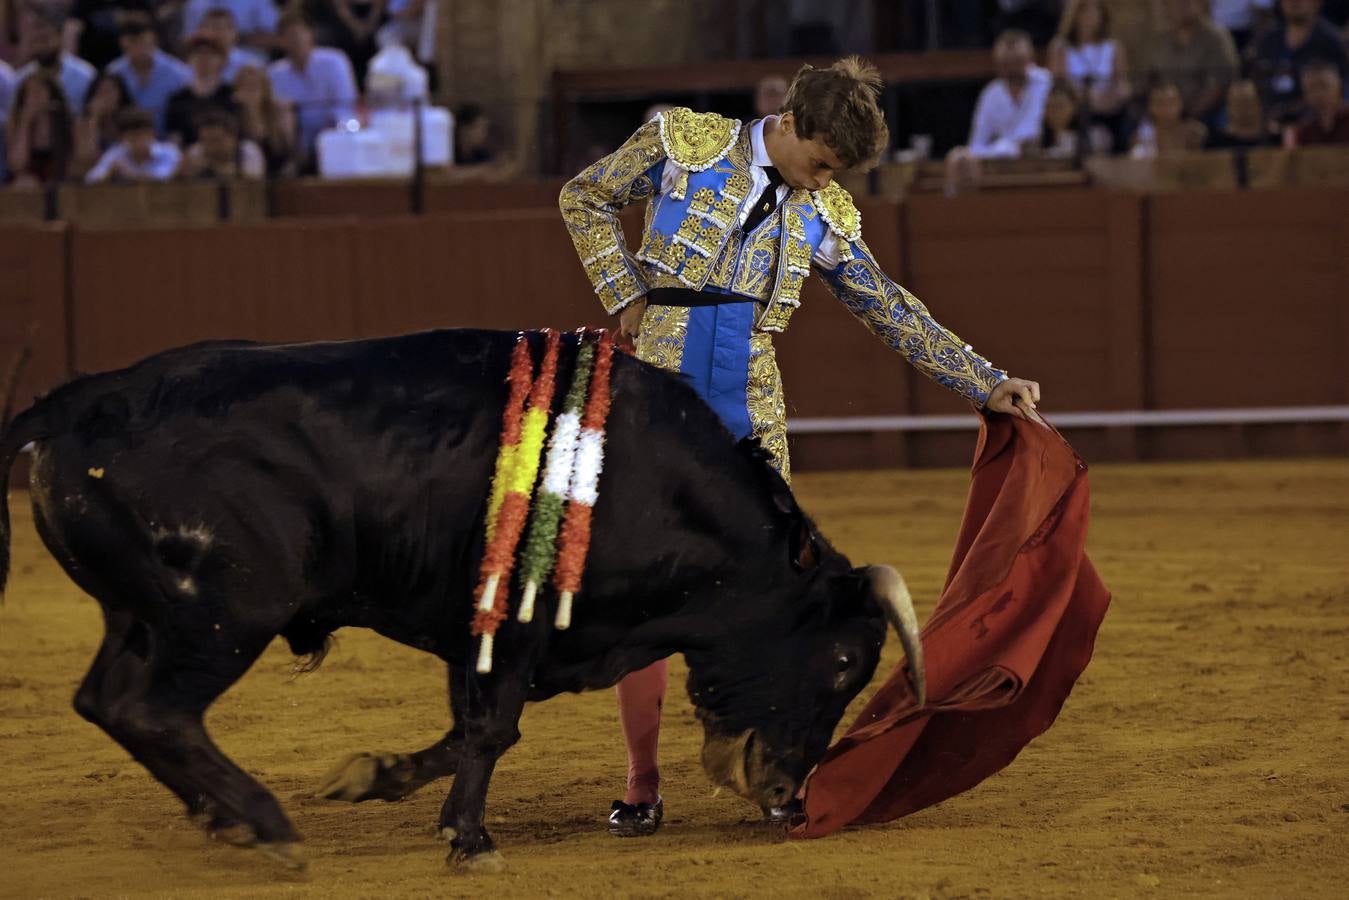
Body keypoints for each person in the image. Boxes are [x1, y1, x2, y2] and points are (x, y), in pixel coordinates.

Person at [558, 56, 1042, 838]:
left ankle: (773, 773)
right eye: (818, 164)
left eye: (833, 174)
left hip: (749, 400)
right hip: (657, 391)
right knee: (646, 587)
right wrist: (624, 290)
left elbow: (886, 305)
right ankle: (641, 783)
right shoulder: (684, 144)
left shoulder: (825, 212)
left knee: (772, 594)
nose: (821, 182)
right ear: (787, 125)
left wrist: (982, 382)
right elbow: (583, 195)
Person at [944, 30, 1052, 193]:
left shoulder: (1047, 83)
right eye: (1006, 63)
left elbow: (1041, 131)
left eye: (1017, 61)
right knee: (958, 157)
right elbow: (977, 144)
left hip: (1043, 163)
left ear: (1030, 58)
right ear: (998, 63)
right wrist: (1006, 148)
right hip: (1001, 169)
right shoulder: (990, 94)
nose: (1012, 68)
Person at [267, 11, 357, 170]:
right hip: (297, 137)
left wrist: (327, 133)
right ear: (280, 41)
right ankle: (292, 167)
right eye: (289, 35)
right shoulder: (275, 73)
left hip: (333, 127)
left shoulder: (335, 61)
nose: (296, 40)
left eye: (299, 33)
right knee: (283, 115)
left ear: (311, 35)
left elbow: (345, 104)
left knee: (345, 121)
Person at [1248, 0, 1349, 126]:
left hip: (1314, 123)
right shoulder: (1268, 40)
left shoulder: (1331, 42)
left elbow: (1340, 90)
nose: (1294, 2)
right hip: (1269, 121)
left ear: (1317, 3)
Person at [1048, 0, 1131, 153]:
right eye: (1084, 11)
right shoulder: (1060, 47)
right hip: (1075, 110)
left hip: (1108, 108)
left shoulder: (1113, 47)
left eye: (1094, 11)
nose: (1089, 17)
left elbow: (1121, 83)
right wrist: (1085, 99)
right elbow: (1059, 85)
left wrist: (1109, 99)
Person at [1144, 0, 1239, 125]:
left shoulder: (1216, 38)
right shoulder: (1162, 40)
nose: (1180, 7)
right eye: (1175, 3)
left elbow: (1217, 86)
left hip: (1208, 113)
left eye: (1187, 2)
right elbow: (1152, 78)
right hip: (1167, 111)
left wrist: (1187, 116)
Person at [107, 12, 192, 136]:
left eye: (142, 41)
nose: (139, 48)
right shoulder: (114, 72)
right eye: (133, 42)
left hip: (167, 140)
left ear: (153, 39)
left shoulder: (178, 73)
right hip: (126, 140)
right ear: (123, 43)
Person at [15, 8, 95, 116]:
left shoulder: (84, 75)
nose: (41, 46)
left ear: (60, 37)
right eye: (36, 41)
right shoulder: (22, 78)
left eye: (45, 39)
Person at [164, 32, 236, 146]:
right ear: (188, 59)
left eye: (210, 54)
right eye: (198, 54)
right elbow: (174, 139)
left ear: (222, 60)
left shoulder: (232, 95)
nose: (204, 59)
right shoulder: (177, 100)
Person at [5, 68, 73, 186]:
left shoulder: (66, 122)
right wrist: (25, 122)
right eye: (30, 93)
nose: (34, 97)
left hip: (61, 181)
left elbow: (75, 161)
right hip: (29, 185)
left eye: (39, 91)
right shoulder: (16, 125)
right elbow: (16, 165)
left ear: (51, 94)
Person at [85, 104, 180, 182]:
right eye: (133, 137)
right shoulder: (116, 154)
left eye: (143, 136)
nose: (139, 141)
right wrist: (109, 173)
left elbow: (166, 177)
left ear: (152, 134)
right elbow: (90, 179)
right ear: (122, 138)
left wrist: (130, 173)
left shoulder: (169, 152)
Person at [232, 63, 295, 175]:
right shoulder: (232, 117)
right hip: (245, 176)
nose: (250, 91)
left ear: (265, 89)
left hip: (278, 173)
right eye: (245, 86)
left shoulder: (278, 115)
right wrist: (249, 110)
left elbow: (289, 151)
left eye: (254, 85)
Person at [71, 69, 132, 176]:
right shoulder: (83, 124)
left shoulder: (131, 121)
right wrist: (94, 118)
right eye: (100, 92)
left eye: (109, 91)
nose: (105, 97)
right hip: (92, 178)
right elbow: (86, 157)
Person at [176, 106, 264, 177]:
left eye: (216, 140)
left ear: (233, 138)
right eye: (204, 141)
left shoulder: (248, 150)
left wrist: (216, 168)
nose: (210, 146)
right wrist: (182, 171)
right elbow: (174, 181)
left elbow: (255, 183)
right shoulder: (195, 151)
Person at [1131, 81, 1208, 156]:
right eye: (1160, 103)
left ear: (1181, 103)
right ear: (1150, 107)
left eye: (1171, 102)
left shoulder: (1194, 132)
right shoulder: (1141, 136)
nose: (1167, 108)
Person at [1284, 58, 1349, 144]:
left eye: (1324, 86)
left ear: (1340, 85)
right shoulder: (1303, 131)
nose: (1318, 94)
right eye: (1311, 88)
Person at [197, 7, 269, 83]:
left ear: (235, 33)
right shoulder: (191, 66)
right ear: (201, 32)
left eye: (225, 28)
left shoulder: (252, 65)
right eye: (214, 28)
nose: (219, 33)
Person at [1206, 78, 1277, 147]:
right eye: (1238, 105)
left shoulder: (1275, 139)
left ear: (1259, 105)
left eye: (1248, 104)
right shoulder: (1215, 143)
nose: (1244, 111)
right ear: (1228, 108)